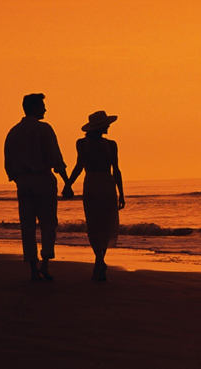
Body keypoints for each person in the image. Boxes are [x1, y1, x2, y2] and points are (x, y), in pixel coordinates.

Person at [4, 93, 69, 281]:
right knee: (48, 222)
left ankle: (33, 266)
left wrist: (18, 178)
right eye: (42, 106)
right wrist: (66, 181)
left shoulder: (14, 132)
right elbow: (56, 158)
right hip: (42, 178)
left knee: (28, 224)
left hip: (23, 181)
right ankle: (46, 263)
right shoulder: (44, 129)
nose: (45, 109)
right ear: (33, 108)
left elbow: (8, 161)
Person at [63, 111, 124, 281]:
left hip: (91, 184)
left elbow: (78, 166)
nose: (109, 126)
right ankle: (100, 260)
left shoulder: (83, 143)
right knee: (105, 224)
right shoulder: (110, 145)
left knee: (94, 224)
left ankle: (99, 259)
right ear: (101, 127)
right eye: (107, 124)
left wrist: (68, 184)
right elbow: (116, 171)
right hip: (106, 184)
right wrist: (121, 193)